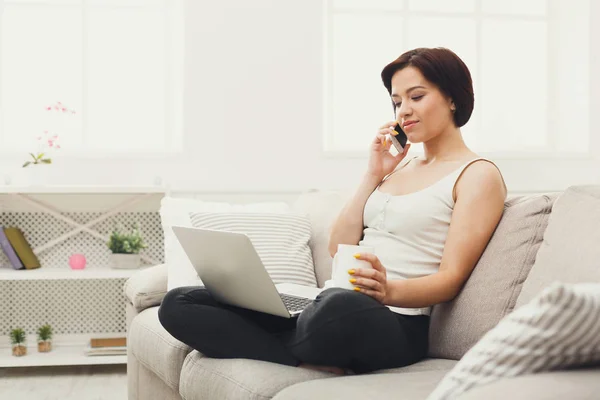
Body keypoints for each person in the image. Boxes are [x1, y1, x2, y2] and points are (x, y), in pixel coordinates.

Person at [158, 47, 507, 375]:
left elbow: (450, 280)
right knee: (179, 303)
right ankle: (301, 356)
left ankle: (291, 341)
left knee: (340, 308)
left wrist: (388, 292)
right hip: (328, 306)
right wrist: (373, 173)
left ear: (451, 97)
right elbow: (338, 248)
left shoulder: (477, 174)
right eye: (396, 101)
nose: (403, 111)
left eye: (416, 97)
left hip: (393, 319)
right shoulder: (398, 167)